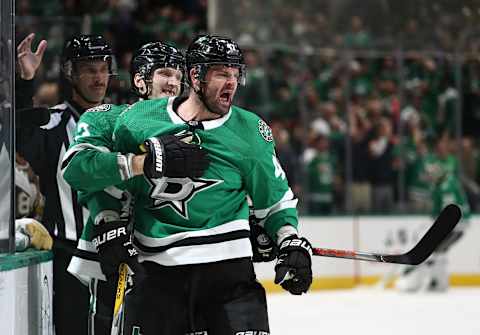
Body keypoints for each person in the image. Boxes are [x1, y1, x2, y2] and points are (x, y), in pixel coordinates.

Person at [108, 35, 313, 334]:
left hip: (228, 275)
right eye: (221, 74)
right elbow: (115, 187)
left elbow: (275, 203)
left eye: (235, 74)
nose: (231, 82)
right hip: (158, 276)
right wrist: (109, 221)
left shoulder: (250, 131)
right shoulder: (137, 121)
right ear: (196, 76)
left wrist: (288, 239)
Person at [61, 41, 208, 334]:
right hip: (119, 260)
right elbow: (77, 169)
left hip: (179, 261)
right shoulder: (107, 118)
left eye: (179, 76)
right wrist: (107, 215)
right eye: (166, 73)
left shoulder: (195, 128)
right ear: (140, 80)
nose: (174, 83)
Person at [16, 33, 116, 335]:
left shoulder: (122, 122)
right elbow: (20, 139)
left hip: (117, 254)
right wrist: (25, 82)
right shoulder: (54, 122)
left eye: (103, 69)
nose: (99, 78)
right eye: (89, 69)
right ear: (71, 72)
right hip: (68, 258)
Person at [395, 135, 471, 292]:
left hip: (455, 225)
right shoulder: (451, 181)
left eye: (432, 175)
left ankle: (434, 282)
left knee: (435, 251)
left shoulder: (440, 188)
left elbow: (441, 210)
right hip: (462, 224)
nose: (430, 178)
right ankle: (438, 282)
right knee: (439, 251)